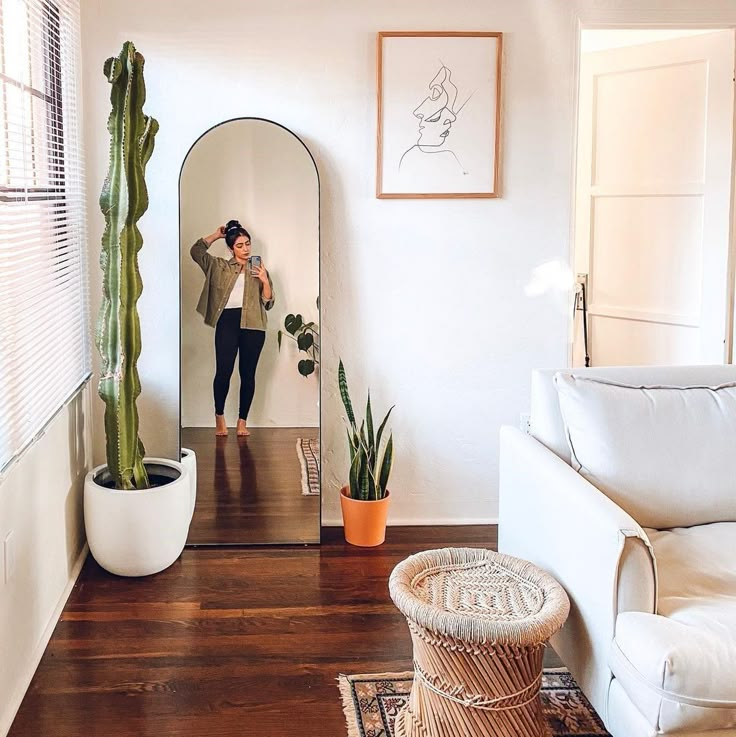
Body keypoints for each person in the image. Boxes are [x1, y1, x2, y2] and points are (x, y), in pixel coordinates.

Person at [190, 220, 274, 437]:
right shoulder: (219, 266)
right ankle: (220, 417)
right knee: (224, 372)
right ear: (230, 248)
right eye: (239, 245)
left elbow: (268, 302)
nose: (245, 249)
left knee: (248, 375)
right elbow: (196, 251)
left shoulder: (259, 268)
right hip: (227, 322)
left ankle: (242, 422)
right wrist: (216, 235)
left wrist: (264, 280)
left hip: (254, 325)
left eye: (248, 244)